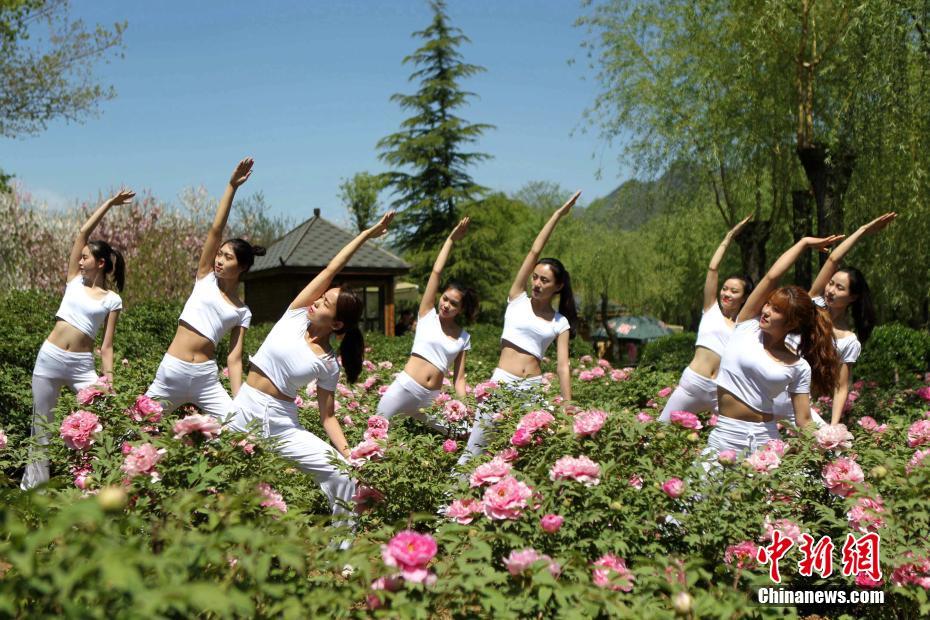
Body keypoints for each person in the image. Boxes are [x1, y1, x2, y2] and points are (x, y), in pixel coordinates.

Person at [226, 211, 395, 518]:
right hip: (244, 407)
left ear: (337, 323)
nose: (316, 301)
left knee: (343, 476)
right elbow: (331, 268)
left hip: (281, 423)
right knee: (218, 474)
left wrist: (349, 454)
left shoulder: (328, 363)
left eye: (325, 303)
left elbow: (327, 416)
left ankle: (342, 545)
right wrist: (364, 236)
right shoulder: (296, 314)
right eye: (321, 297)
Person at [458, 192, 581, 464]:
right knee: (475, 448)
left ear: (558, 286)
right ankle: (453, 494)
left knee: (528, 454)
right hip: (502, 381)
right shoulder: (517, 298)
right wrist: (556, 216)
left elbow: (563, 366)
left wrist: (567, 403)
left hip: (532, 389)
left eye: (544, 280)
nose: (536, 283)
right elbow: (534, 251)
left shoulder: (560, 322)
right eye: (535, 277)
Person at [22, 189, 133, 489]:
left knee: (105, 419)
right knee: (41, 428)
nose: (80, 261)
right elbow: (83, 231)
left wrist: (109, 380)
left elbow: (106, 346)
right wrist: (109, 204)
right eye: (80, 257)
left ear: (100, 263)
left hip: (82, 366)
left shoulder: (112, 299)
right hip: (50, 358)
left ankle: (102, 483)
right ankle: (33, 492)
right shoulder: (73, 281)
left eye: (86, 257)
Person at [705, 236, 843, 458]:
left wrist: (829, 447)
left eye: (776, 310)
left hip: (764, 441)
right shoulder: (747, 325)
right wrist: (803, 244)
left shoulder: (799, 366)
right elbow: (772, 276)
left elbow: (804, 421)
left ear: (791, 323)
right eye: (768, 304)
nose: (766, 311)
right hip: (725, 435)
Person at [145, 158, 261, 419]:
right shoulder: (205, 278)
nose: (219, 260)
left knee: (237, 428)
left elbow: (234, 359)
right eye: (219, 254)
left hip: (206, 379)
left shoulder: (243, 312)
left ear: (242, 267)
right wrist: (232, 187)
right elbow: (215, 230)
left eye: (227, 258)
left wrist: (239, 400)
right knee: (137, 427)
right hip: (172, 371)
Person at [772, 212, 896, 426]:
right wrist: (863, 231)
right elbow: (833, 259)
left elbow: (841, 386)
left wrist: (834, 425)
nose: (830, 290)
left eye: (840, 288)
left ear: (853, 297)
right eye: (831, 283)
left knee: (829, 443)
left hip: (796, 402)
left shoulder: (848, 341)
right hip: (770, 385)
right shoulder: (812, 305)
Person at [377, 218, 477, 430]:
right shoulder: (427, 315)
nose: (446, 305)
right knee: (376, 434)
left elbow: (459, 380)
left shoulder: (463, 338)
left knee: (463, 433)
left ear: (461, 309)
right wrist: (450, 240)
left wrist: (468, 408)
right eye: (445, 299)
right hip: (404, 389)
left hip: (431, 398)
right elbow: (436, 272)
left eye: (454, 304)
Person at [659, 216, 753, 423]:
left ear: (745, 297)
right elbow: (713, 269)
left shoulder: (745, 327)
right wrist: (729, 237)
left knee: (743, 428)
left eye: (734, 291)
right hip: (693, 384)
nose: (726, 293)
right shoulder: (711, 311)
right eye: (725, 289)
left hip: (720, 390)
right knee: (662, 428)